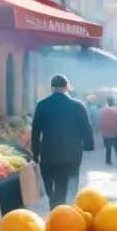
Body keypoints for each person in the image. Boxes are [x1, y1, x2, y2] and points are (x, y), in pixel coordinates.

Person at [31, 75, 95, 208]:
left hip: (48, 155)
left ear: (52, 88)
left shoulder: (42, 105)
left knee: (50, 182)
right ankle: (61, 207)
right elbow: (87, 128)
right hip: (71, 155)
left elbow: (36, 131)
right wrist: (89, 145)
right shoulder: (78, 106)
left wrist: (35, 153)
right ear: (67, 87)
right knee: (65, 184)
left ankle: (54, 203)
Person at [99, 97, 117, 165]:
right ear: (113, 102)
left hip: (105, 132)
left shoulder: (103, 110)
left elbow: (100, 120)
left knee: (108, 149)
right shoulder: (116, 110)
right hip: (114, 132)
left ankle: (108, 161)